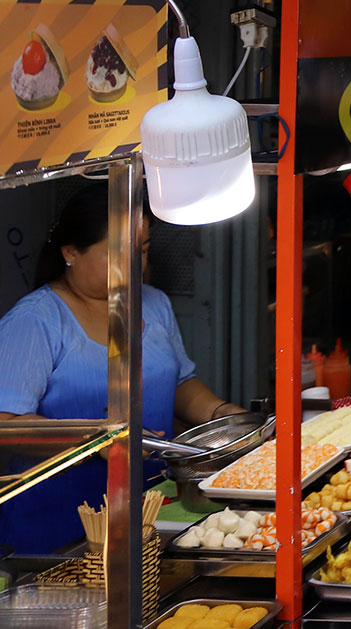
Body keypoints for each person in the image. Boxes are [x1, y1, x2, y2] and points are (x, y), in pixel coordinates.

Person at [0, 186, 243, 554]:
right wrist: (97, 440)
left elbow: (177, 383)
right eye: (120, 251)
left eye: (142, 250)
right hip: (55, 525)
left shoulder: (154, 304)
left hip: (148, 509)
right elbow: (7, 424)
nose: (137, 263)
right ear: (71, 253)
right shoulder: (36, 321)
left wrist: (226, 419)